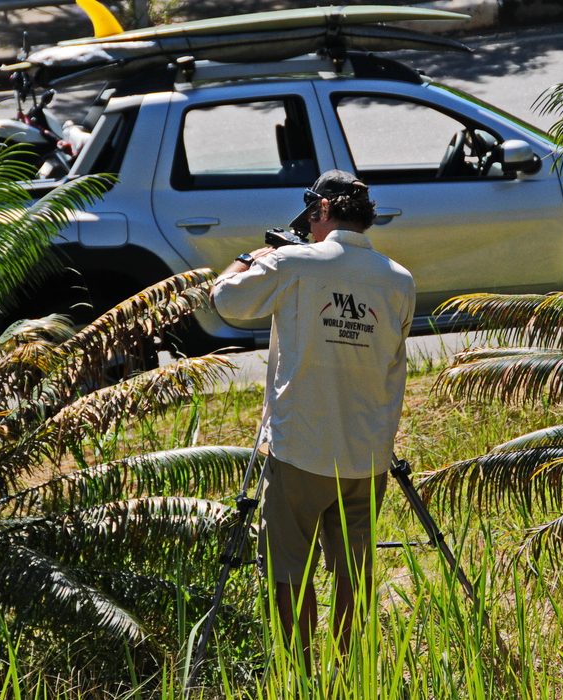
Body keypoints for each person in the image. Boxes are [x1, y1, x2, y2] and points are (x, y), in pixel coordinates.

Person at [211, 169, 415, 667]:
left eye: (311, 214)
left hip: (301, 448)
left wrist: (251, 258)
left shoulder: (292, 262)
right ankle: (348, 674)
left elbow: (225, 300)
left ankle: (301, 673)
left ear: (322, 209)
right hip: (367, 454)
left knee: (288, 570)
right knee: (354, 571)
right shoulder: (399, 279)